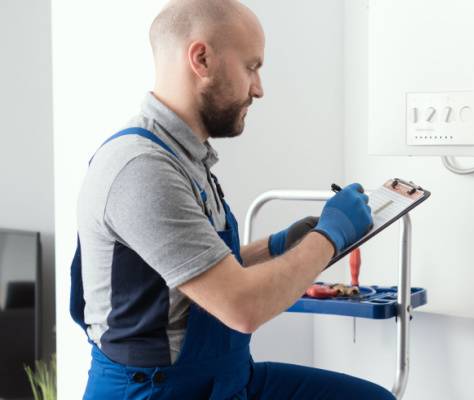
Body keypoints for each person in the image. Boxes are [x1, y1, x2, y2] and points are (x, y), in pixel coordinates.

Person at [70, 1, 394, 398]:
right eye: (251, 67)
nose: (258, 88)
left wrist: (278, 246)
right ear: (201, 59)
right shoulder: (142, 169)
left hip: (223, 378)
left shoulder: (185, 157)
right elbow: (241, 307)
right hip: (158, 391)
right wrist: (330, 236)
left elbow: (198, 271)